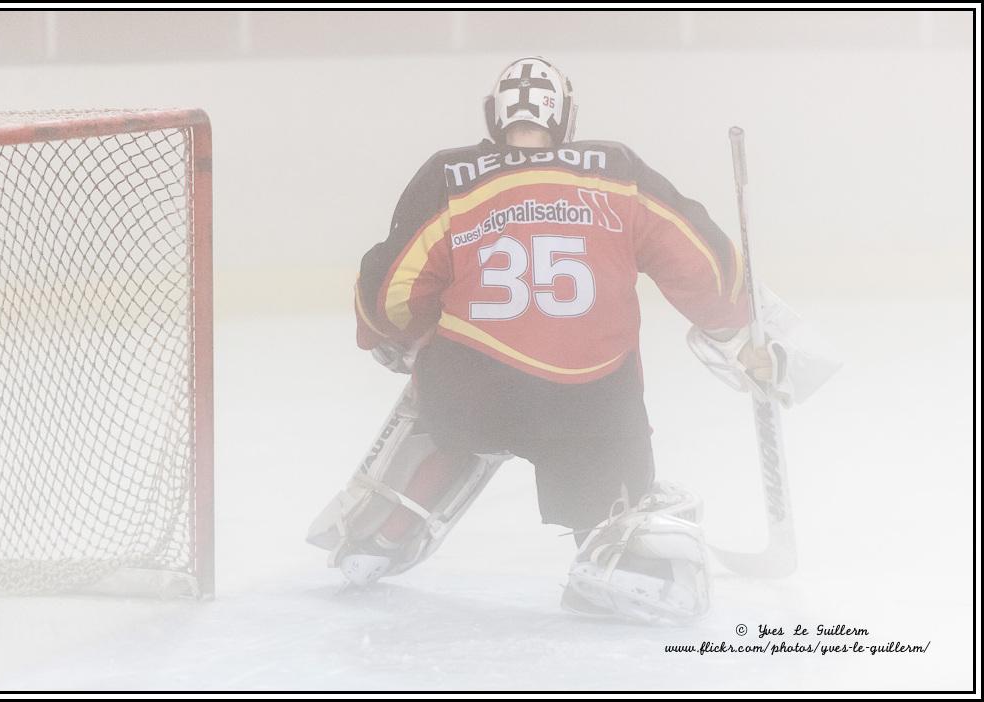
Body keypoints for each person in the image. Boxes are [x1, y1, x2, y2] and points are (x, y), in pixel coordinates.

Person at [308, 56, 788, 623]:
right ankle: (612, 545)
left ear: (494, 117)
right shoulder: (619, 171)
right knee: (611, 494)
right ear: (566, 118)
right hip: (587, 408)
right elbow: (703, 268)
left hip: (470, 392)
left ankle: (384, 528)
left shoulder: (449, 175)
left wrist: (392, 335)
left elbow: (389, 297)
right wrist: (737, 324)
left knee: (439, 394)